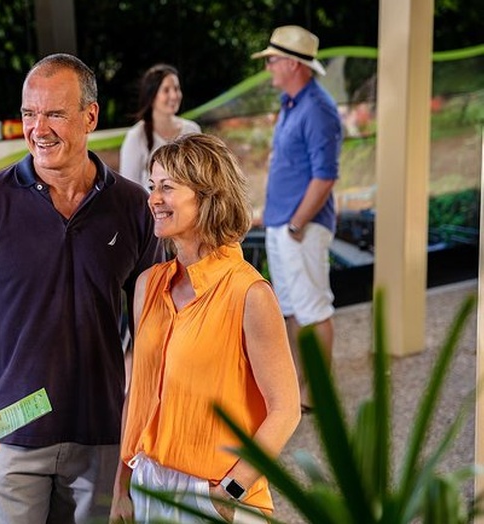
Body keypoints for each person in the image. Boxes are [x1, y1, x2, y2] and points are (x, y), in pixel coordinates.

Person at [0, 53, 163, 523]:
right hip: (7, 432)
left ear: (90, 116)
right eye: (29, 114)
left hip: (100, 434)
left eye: (55, 113)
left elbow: (150, 328)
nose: (39, 128)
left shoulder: (133, 206)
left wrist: (139, 428)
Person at [110, 133, 301, 523]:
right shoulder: (148, 285)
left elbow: (286, 409)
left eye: (167, 187)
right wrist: (121, 487)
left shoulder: (249, 292)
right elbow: (139, 395)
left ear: (207, 195)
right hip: (150, 482)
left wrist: (231, 491)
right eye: (152, 187)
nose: (153, 199)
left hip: (215, 492)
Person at [251, 25, 343, 412]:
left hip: (299, 228)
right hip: (283, 225)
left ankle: (318, 394)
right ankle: (296, 388)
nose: (268, 66)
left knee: (313, 309)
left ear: (292, 64)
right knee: (290, 308)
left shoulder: (318, 109)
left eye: (272, 60)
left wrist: (295, 224)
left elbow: (325, 175)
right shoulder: (292, 104)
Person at [119, 64, 201, 189]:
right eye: (166, 90)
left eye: (177, 88)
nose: (174, 96)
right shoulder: (136, 137)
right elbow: (127, 189)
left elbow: (201, 178)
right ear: (151, 95)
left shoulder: (192, 130)